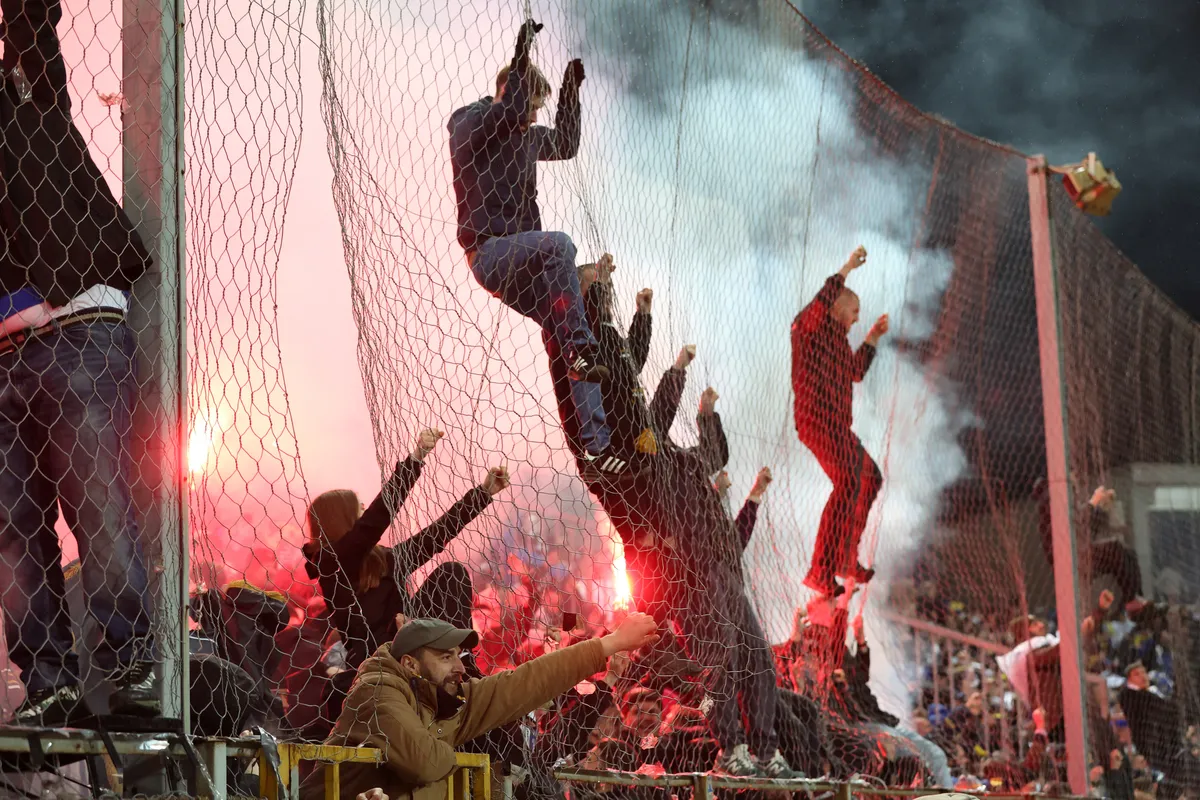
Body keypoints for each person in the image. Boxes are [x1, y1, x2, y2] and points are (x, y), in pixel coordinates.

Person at [0, 0, 158, 725]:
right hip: (9, 359)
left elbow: (33, 25)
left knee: (97, 508)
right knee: (13, 529)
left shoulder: (27, 101)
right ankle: (51, 685)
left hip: (78, 332)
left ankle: (131, 671)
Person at [447, 19, 625, 476]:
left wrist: (569, 92)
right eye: (530, 107)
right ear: (508, 91)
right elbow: (505, 114)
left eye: (536, 110)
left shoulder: (525, 134)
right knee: (560, 245)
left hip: (523, 265)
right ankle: (580, 351)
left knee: (566, 325)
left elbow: (565, 144)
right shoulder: (469, 123)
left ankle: (596, 448)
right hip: (490, 255)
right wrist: (522, 57)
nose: (531, 119)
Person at [299, 613, 660, 800]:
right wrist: (457, 755)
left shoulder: (449, 698)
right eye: (445, 657)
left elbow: (527, 681)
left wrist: (610, 643)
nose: (459, 667)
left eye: (458, 656)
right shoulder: (377, 690)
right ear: (410, 664)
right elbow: (427, 763)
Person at [303, 429, 509, 672]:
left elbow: (431, 539)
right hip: (378, 656)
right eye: (358, 507)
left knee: (451, 574)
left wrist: (482, 494)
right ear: (340, 519)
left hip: (408, 634)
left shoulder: (381, 559)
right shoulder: (331, 563)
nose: (364, 508)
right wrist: (416, 459)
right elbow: (376, 519)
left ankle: (462, 662)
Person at [791, 245, 888, 596]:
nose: (857, 318)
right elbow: (820, 302)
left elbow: (856, 372)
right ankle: (821, 570)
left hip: (839, 429)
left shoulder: (840, 342)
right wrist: (846, 269)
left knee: (870, 477)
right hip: (816, 422)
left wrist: (872, 339)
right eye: (855, 311)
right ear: (836, 305)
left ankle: (846, 557)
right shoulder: (810, 327)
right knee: (847, 480)